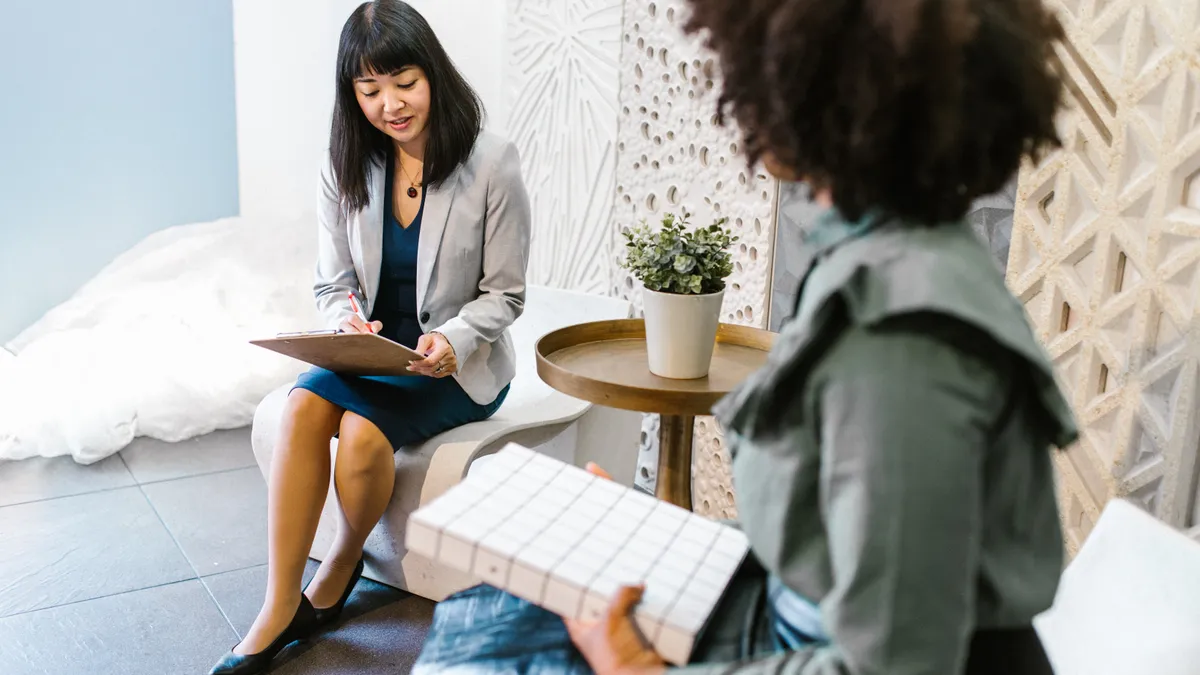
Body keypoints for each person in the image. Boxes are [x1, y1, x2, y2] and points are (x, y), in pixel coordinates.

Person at [412, 1, 1076, 674]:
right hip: (801, 610)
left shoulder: (898, 336)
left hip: (830, 647)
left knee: (472, 654)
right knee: (486, 610)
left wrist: (636, 668)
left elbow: (895, 664)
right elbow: (841, 542)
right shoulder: (900, 251)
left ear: (802, 87)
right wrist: (638, 531)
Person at [208, 1, 530, 673]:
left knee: (359, 435)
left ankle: (345, 558)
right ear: (351, 94)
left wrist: (455, 338)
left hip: (449, 365)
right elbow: (332, 285)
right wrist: (345, 323)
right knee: (302, 405)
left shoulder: (491, 162)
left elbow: (505, 294)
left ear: (432, 73)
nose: (390, 104)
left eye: (403, 81)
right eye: (370, 89)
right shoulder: (346, 161)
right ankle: (278, 605)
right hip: (373, 353)